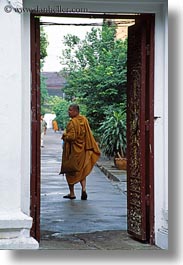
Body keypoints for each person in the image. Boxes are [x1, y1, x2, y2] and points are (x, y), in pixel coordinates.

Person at [60, 104, 100, 200]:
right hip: (82, 150)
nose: (68, 112)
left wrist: (65, 135)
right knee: (82, 171)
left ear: (76, 111)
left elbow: (72, 137)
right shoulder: (84, 120)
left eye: (70, 110)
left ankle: (72, 193)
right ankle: (84, 189)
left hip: (73, 151)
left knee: (70, 171)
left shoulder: (72, 122)